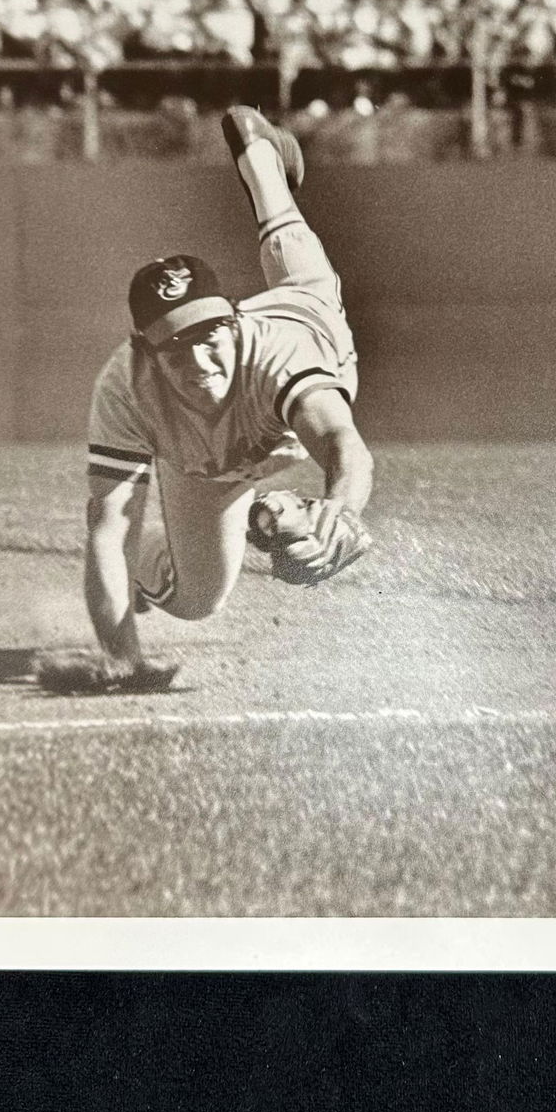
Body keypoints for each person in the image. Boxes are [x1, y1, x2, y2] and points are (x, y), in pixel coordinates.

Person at [44, 106, 375, 694]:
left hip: (304, 314)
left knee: (284, 228)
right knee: (196, 601)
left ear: (232, 321)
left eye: (209, 334)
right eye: (175, 349)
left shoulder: (275, 353)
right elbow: (109, 529)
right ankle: (261, 512)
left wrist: (341, 515)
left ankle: (260, 154)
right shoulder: (126, 388)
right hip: (209, 465)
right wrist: (122, 658)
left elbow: (341, 443)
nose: (200, 362)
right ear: (146, 352)